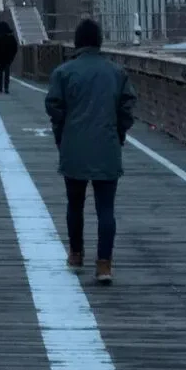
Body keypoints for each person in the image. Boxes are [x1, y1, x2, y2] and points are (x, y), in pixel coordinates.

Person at [45, 18, 137, 284]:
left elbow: (54, 106)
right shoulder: (117, 73)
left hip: (74, 147)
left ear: (77, 42)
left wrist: (61, 136)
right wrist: (118, 132)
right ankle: (104, 265)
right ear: (99, 41)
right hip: (107, 147)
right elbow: (127, 107)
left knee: (75, 204)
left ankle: (75, 255)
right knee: (105, 208)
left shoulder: (63, 72)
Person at [0, 20, 19, 94]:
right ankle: (6, 88)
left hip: (0, 58)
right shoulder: (11, 38)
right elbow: (15, 48)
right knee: (7, 73)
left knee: (0, 72)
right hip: (8, 58)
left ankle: (0, 88)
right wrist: (12, 56)